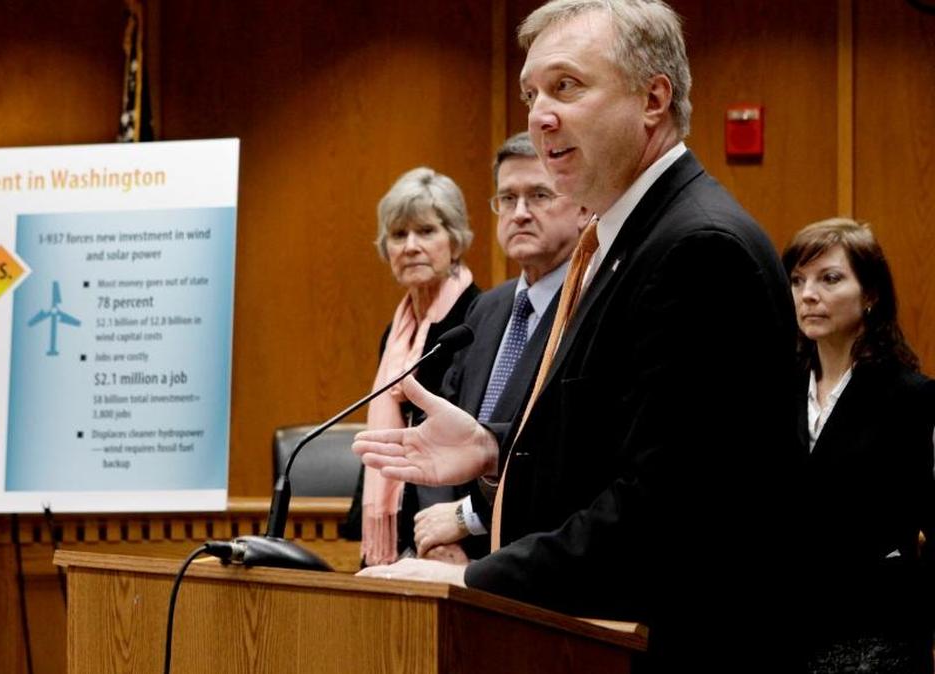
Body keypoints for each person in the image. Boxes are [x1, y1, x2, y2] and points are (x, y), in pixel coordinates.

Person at [353, 1, 804, 670]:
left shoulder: (696, 249)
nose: (538, 115)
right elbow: (621, 445)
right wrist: (494, 450)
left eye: (566, 86)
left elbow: (668, 508)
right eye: (532, 93)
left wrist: (473, 579)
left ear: (653, 99)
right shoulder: (627, 240)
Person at [411, 131, 588, 563]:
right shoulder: (486, 309)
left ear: (584, 208)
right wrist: (442, 537)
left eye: (539, 195)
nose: (520, 213)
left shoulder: (592, 305)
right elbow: (441, 428)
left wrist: (467, 518)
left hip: (543, 565)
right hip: (456, 563)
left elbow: (571, 461)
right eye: (507, 199)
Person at [783, 218, 935, 674]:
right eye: (797, 280)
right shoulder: (775, 391)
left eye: (829, 279)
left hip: (876, 643)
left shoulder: (913, 398)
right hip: (787, 633)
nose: (808, 294)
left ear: (870, 296)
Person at [342, 166, 480, 566]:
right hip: (400, 519)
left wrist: (462, 528)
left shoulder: (478, 317)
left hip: (453, 530)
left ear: (454, 241)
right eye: (399, 235)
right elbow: (387, 429)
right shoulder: (396, 331)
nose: (411, 246)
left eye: (426, 231)